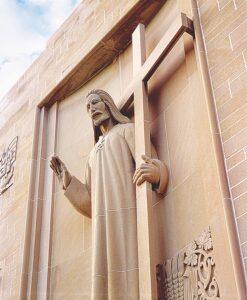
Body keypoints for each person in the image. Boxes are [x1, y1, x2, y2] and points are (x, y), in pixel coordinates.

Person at [50, 89, 168, 299]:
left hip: (128, 216)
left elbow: (150, 161)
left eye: (95, 103)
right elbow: (92, 203)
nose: (91, 109)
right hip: (105, 227)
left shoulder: (127, 131)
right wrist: (68, 182)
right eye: (88, 107)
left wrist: (157, 172)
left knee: (133, 267)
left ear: (108, 104)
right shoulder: (93, 155)